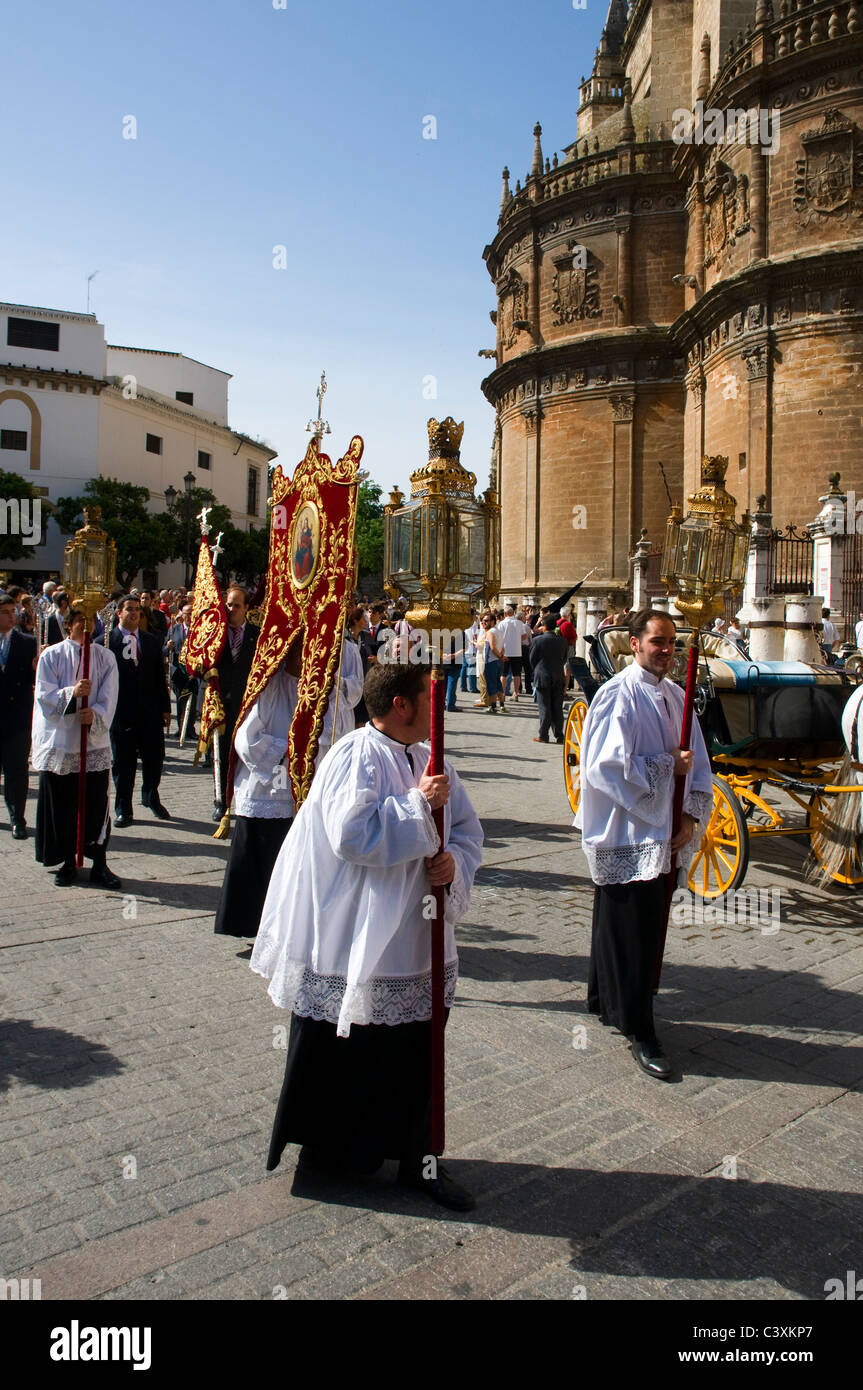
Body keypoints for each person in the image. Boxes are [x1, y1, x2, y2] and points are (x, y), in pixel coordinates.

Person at [251, 661, 483, 1209]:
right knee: (356, 1053)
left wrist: (455, 865)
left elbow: (470, 830)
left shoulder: (428, 758)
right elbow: (350, 835)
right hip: (360, 936)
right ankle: (338, 1156)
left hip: (419, 932)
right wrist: (417, 806)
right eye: (429, 696)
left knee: (414, 1054)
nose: (437, 706)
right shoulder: (356, 755)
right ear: (401, 705)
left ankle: (417, 1161)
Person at [577, 609, 712, 1080]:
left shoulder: (678, 695)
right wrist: (664, 766)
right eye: (658, 641)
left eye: (673, 642)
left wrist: (690, 816)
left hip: (664, 834)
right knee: (630, 929)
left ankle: (604, 998)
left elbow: (699, 765)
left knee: (641, 926)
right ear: (633, 645)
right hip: (626, 832)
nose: (667, 650)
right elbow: (605, 768)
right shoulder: (618, 695)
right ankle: (641, 1030)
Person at [214, 639, 303, 941]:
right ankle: (249, 926)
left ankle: (280, 932)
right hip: (264, 789)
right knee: (258, 865)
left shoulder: (313, 688)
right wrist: (289, 751)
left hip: (295, 793)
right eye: (297, 649)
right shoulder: (268, 688)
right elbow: (246, 740)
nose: (302, 656)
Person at [32, 606, 121, 889]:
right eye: (80, 620)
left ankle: (99, 862)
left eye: (91, 620)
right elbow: (44, 696)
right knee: (64, 804)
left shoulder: (105, 657)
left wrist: (94, 713)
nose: (87, 625)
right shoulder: (52, 655)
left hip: (92, 743)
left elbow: (110, 695)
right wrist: (72, 695)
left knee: (95, 803)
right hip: (63, 742)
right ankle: (68, 861)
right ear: (68, 624)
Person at [108, 595, 172, 825]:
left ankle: (151, 796)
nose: (134, 613)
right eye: (129, 609)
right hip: (121, 712)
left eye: (137, 610)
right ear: (119, 613)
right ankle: (123, 806)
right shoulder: (106, 642)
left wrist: (165, 708)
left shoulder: (151, 641)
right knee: (123, 763)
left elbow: (159, 677)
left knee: (155, 759)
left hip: (150, 712)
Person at [213, 587, 260, 822]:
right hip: (220, 703)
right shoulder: (215, 634)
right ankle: (221, 800)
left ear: (247, 608)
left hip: (246, 704)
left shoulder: (256, 634)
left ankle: (242, 796)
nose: (231, 610)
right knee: (221, 751)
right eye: (228, 605)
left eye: (236, 605)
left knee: (244, 752)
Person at [0, 593, 36, 839]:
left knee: (17, 772)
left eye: (13, 611)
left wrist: (38, 668)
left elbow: (35, 681)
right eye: (5, 612)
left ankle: (17, 818)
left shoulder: (27, 642)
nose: (11, 616)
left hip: (17, 718)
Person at [528, 617, 568, 743]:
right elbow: (564, 658)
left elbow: (532, 659)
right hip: (558, 675)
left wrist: (538, 669)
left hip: (542, 675)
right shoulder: (562, 641)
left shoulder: (537, 640)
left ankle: (543, 734)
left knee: (544, 706)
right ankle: (559, 734)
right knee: (557, 707)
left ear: (544, 626)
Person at [169, 602, 198, 739]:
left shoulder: (199, 630)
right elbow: (164, 649)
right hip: (178, 672)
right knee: (180, 701)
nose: (189, 616)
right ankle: (180, 728)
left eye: (191, 613)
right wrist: (168, 647)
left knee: (191, 702)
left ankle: (190, 729)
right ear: (182, 615)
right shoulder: (174, 629)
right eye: (186, 613)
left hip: (192, 673)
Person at [498, 605, 530, 702]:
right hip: (517, 652)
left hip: (505, 651)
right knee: (517, 674)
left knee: (503, 674)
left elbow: (498, 637)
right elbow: (524, 636)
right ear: (513, 613)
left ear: (505, 614)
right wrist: (516, 640)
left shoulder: (502, 623)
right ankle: (516, 693)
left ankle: (502, 693)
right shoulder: (519, 623)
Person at [477, 610, 505, 713]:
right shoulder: (499, 631)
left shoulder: (490, 632)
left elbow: (493, 647)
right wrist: (501, 656)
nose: (484, 623)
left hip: (491, 661)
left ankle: (493, 707)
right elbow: (502, 647)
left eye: (486, 621)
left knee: (491, 684)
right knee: (498, 684)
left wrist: (499, 657)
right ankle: (502, 705)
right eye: (483, 621)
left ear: (493, 621)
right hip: (497, 661)